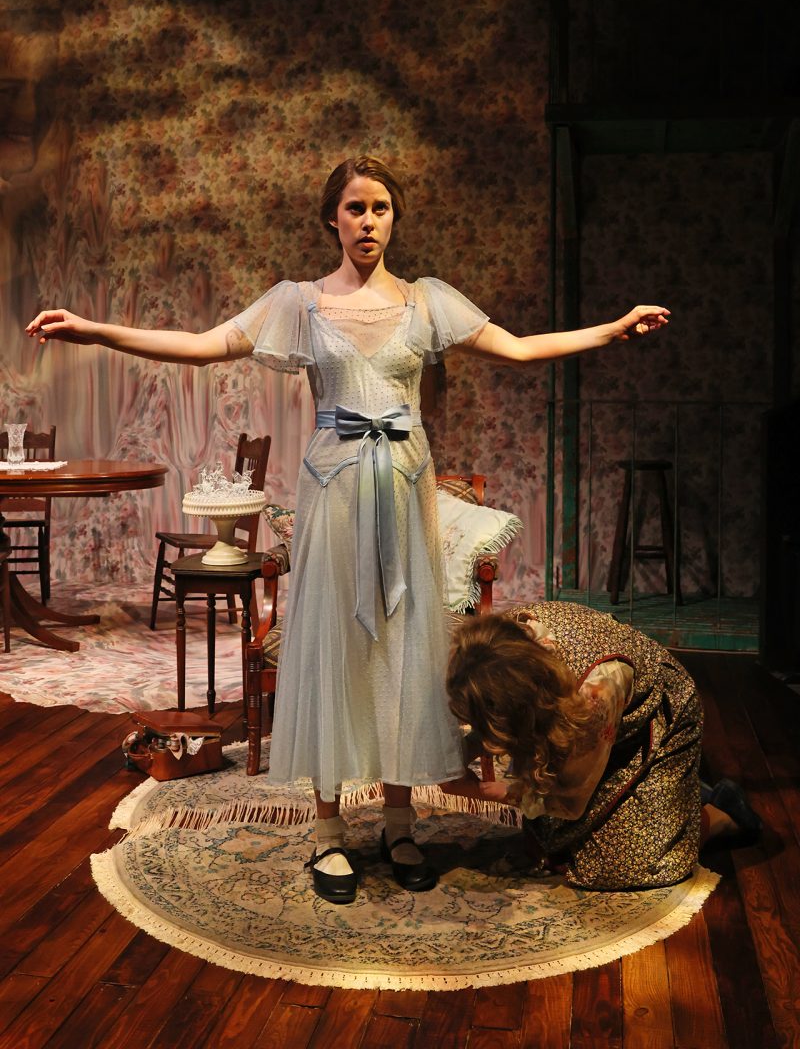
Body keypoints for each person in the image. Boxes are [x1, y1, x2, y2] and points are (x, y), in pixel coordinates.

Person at [27, 154, 671, 904]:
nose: (369, 221)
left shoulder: (427, 301)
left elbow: (521, 348)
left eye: (381, 208)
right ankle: (329, 832)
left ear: (395, 219)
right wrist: (94, 332)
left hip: (402, 490)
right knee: (334, 650)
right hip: (333, 493)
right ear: (331, 219)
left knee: (401, 653)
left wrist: (612, 331)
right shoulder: (299, 303)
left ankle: (399, 824)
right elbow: (205, 345)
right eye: (356, 208)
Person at [443, 602, 762, 890]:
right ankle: (677, 792)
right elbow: (494, 713)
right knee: (549, 837)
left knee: (620, 865)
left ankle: (716, 813)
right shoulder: (502, 644)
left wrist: (480, 790)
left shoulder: (595, 691)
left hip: (659, 720)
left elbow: (569, 796)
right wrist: (459, 751)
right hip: (594, 726)